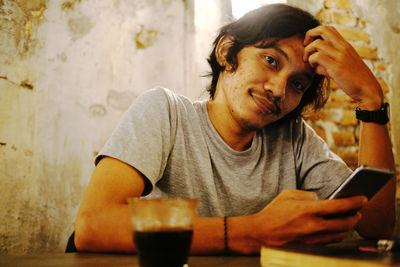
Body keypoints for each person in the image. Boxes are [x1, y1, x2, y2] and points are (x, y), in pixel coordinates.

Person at [73, 4, 395, 255]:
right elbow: (92, 225)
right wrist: (252, 231)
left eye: (298, 84)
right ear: (226, 52)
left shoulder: (293, 139)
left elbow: (378, 224)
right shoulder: (166, 114)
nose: (279, 89)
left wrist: (370, 99)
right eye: (271, 60)